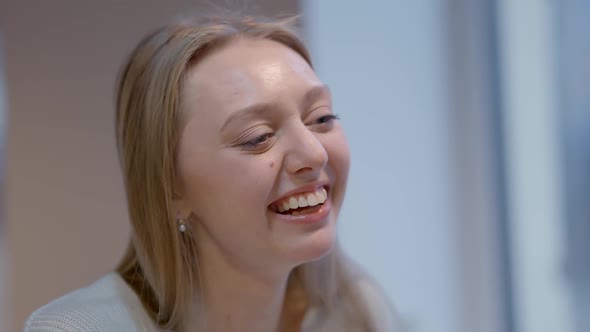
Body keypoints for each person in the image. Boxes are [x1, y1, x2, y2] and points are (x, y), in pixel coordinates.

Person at [24, 14, 398, 332]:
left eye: (322, 118)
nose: (314, 153)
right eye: (259, 137)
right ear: (170, 187)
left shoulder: (355, 311)